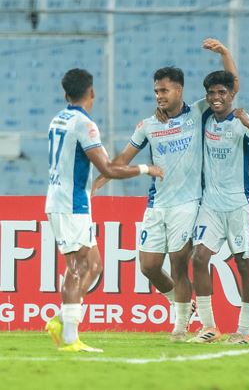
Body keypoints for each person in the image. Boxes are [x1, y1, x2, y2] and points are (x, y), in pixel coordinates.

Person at [93, 39, 239, 341]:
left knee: (178, 264)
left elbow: (231, 87)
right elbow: (122, 159)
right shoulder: (148, 125)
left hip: (188, 203)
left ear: (179, 90)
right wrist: (96, 183)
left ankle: (180, 326)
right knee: (148, 267)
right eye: (156, 91)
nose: (159, 96)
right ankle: (183, 305)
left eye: (164, 90)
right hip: (157, 204)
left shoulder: (198, 113)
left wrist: (225, 54)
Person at [45, 68, 163, 352]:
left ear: (66, 95)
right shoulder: (84, 124)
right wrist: (146, 168)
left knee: (94, 265)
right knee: (78, 268)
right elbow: (108, 168)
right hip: (71, 205)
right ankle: (69, 337)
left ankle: (61, 319)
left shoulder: (58, 118)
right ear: (92, 92)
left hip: (65, 201)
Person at [188, 71, 249, 345]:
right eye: (211, 93)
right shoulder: (204, 118)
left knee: (243, 263)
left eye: (222, 92)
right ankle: (209, 326)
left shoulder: (242, 121)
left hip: (239, 204)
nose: (216, 98)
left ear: (231, 94)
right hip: (210, 205)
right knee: (199, 258)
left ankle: (244, 330)